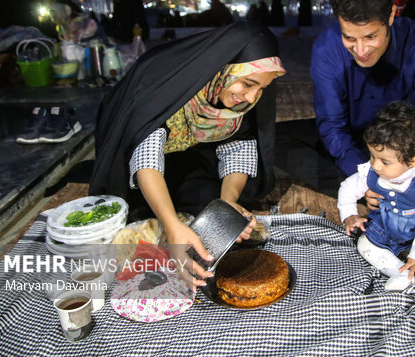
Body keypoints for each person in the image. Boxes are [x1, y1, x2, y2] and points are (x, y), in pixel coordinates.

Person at [89, 21, 286, 286]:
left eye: (261, 89)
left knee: (211, 206)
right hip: (137, 162)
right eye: (248, 84)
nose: (252, 98)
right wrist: (172, 227)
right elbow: (145, 154)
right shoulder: (168, 85)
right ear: (224, 68)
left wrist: (226, 202)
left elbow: (239, 145)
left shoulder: (236, 93)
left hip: (185, 155)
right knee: (144, 214)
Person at [310, 0, 415, 253]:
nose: (361, 50)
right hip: (357, 146)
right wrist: (369, 180)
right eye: (349, 38)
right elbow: (332, 125)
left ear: (392, 14)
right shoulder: (327, 50)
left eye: (370, 37)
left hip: (405, 147)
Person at [338, 102, 415, 313]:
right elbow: (347, 188)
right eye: (372, 156)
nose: (375, 166)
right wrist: (349, 214)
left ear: (413, 162)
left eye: (384, 162)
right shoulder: (371, 171)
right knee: (365, 244)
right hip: (385, 231)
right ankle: (400, 273)